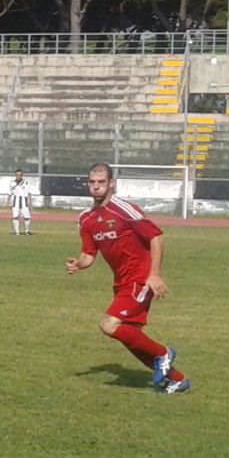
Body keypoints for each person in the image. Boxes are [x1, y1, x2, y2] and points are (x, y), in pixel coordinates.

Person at [66, 162, 191, 394]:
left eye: (101, 182)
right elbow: (88, 255)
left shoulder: (123, 208)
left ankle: (164, 353)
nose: (96, 187)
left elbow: (156, 236)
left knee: (109, 325)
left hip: (140, 278)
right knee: (130, 337)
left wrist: (154, 275)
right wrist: (78, 264)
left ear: (112, 184)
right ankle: (178, 380)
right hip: (121, 282)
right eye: (92, 182)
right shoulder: (86, 218)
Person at [8, 169, 34, 236]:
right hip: (15, 201)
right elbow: (10, 193)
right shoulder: (12, 183)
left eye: (20, 175)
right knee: (15, 216)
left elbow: (29, 193)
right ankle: (17, 232)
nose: (18, 176)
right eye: (17, 175)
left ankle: (27, 231)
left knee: (27, 217)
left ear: (22, 175)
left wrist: (30, 203)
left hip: (24, 201)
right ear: (15, 175)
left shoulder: (26, 182)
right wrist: (8, 202)